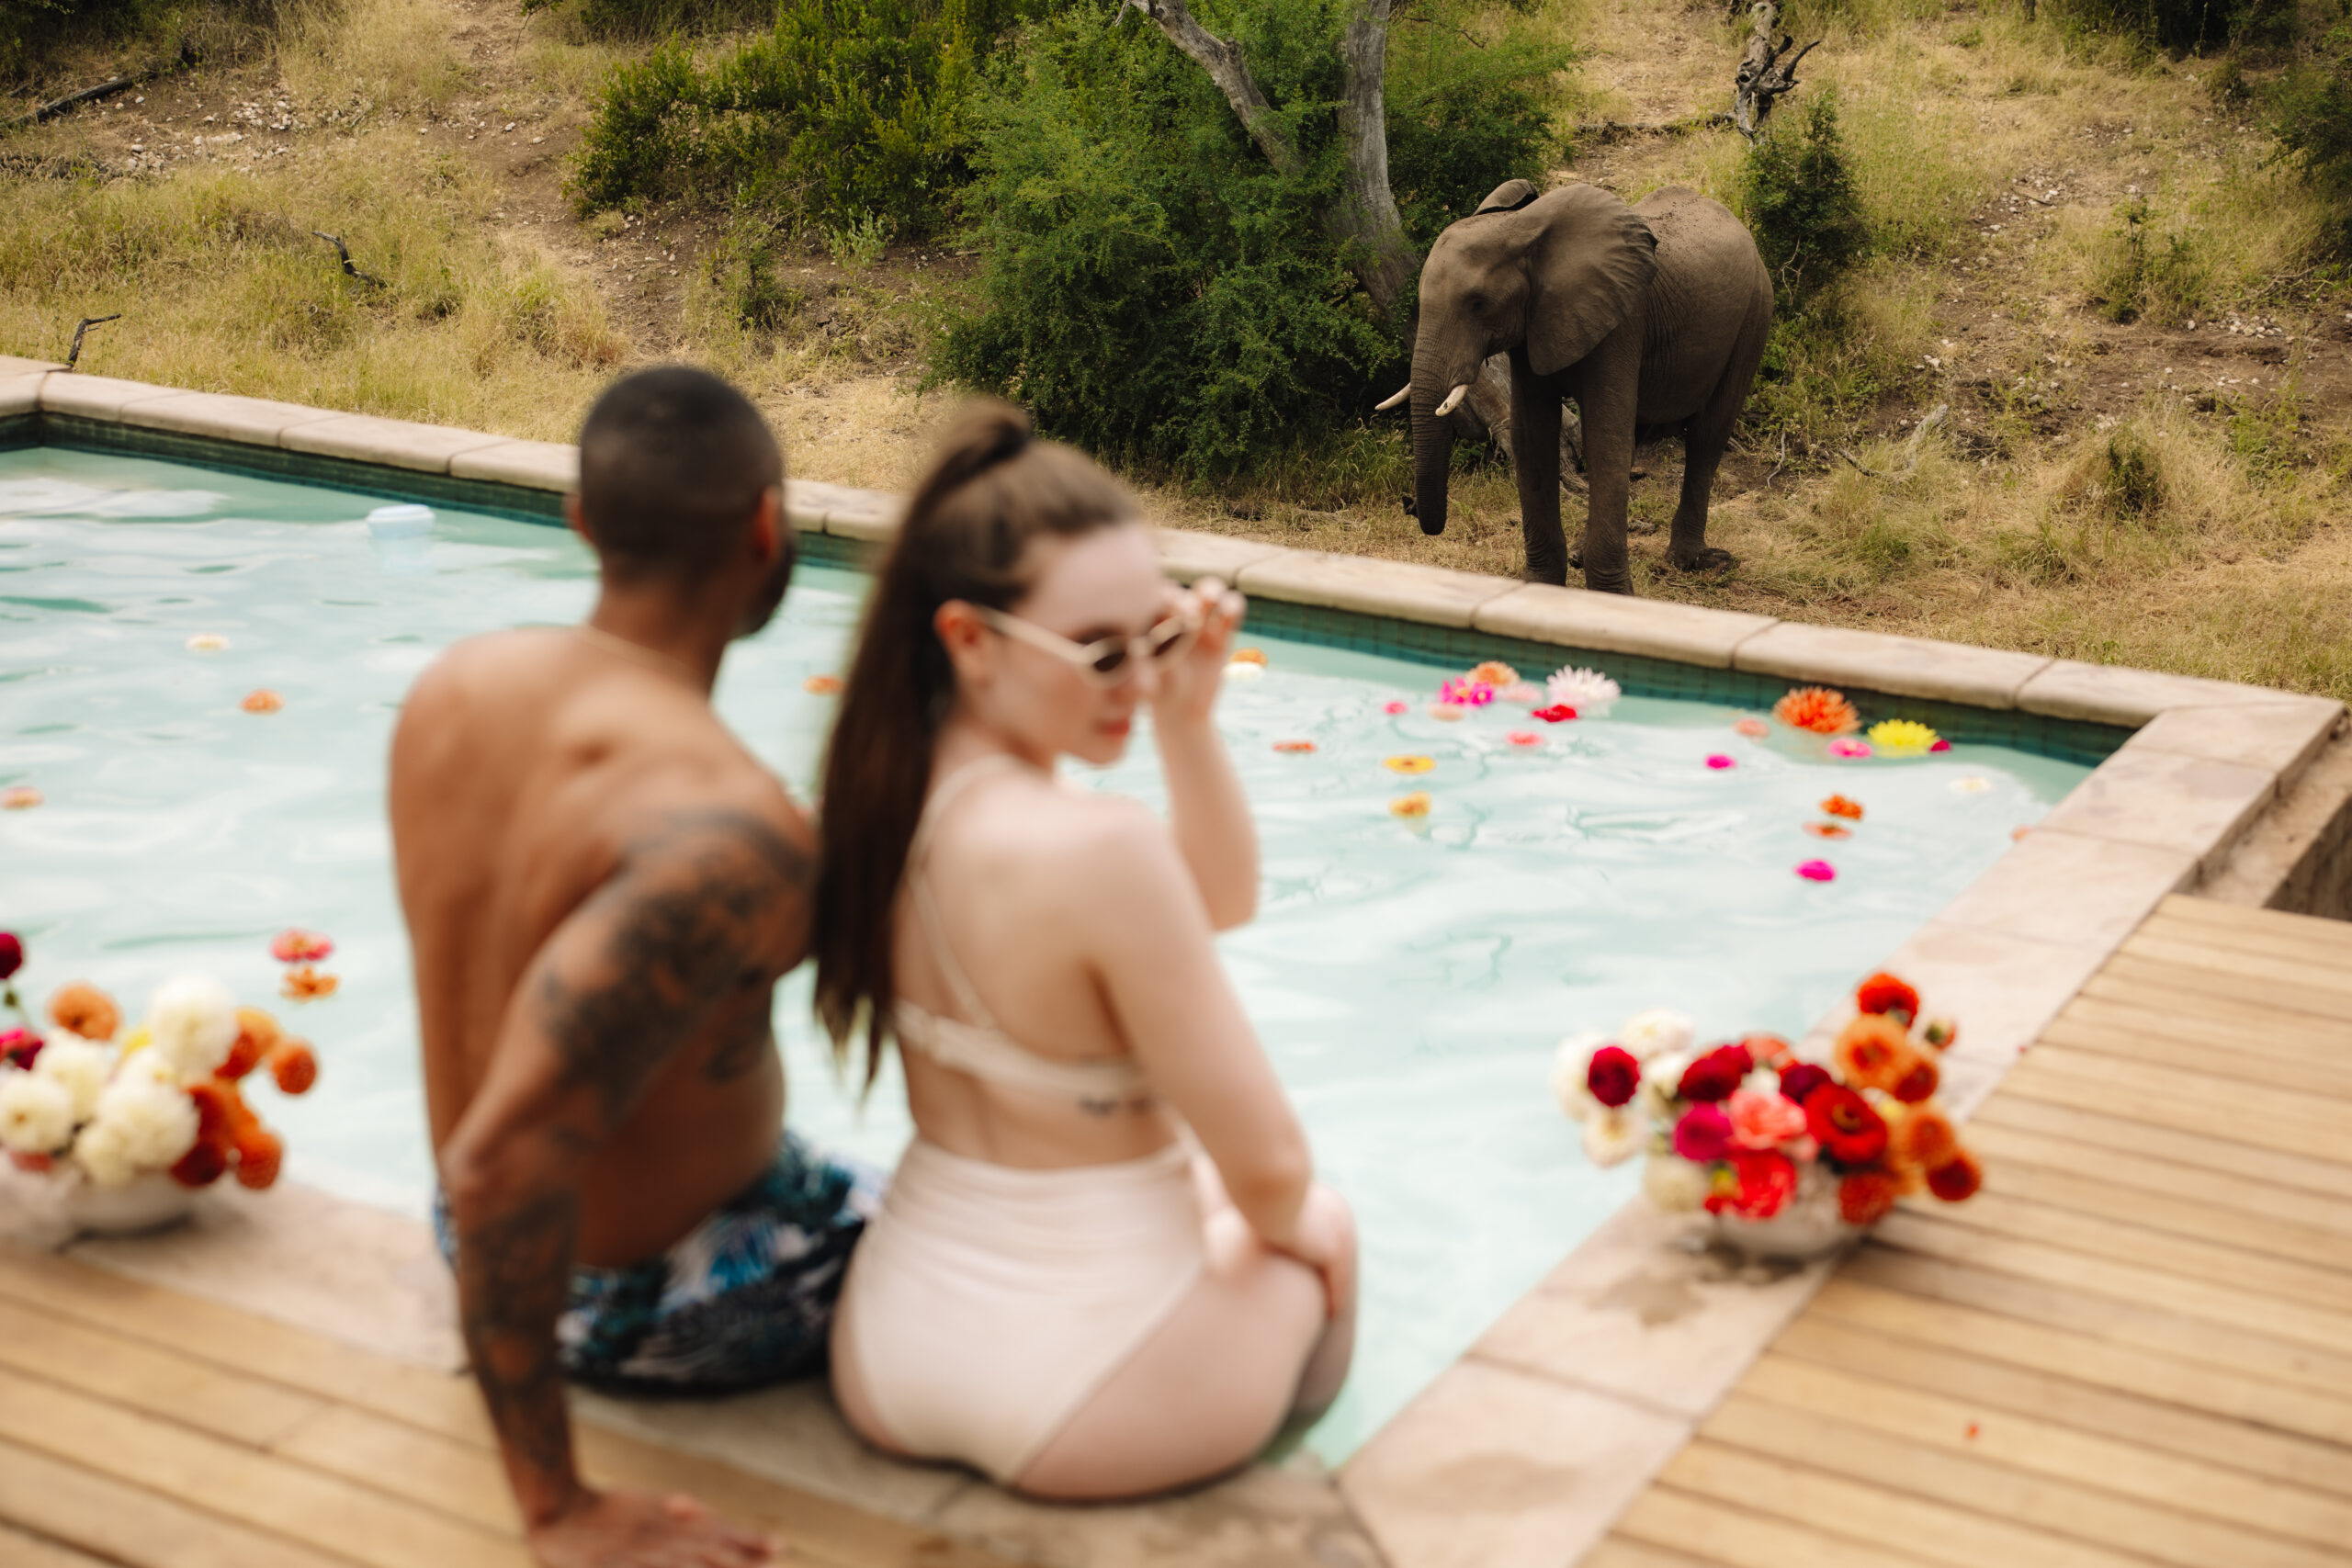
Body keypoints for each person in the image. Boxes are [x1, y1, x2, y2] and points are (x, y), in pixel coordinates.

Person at [812, 401, 1357, 1499]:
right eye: (1101, 655)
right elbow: (1272, 1172)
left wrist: (1184, 728)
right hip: (1091, 1403)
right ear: (968, 639)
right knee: (1321, 1223)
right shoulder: (1098, 848)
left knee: (1211, 1198)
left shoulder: (875, 798)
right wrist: (1312, 1247)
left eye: (1156, 636)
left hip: (886, 1353)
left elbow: (1214, 903)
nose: (1143, 682)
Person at [390, 367, 865, 1568]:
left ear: (583, 520)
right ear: (766, 525)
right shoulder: (729, 833)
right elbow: (507, 1157)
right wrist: (557, 1507)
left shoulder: (453, 687)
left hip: (473, 1237)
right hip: (659, 1302)